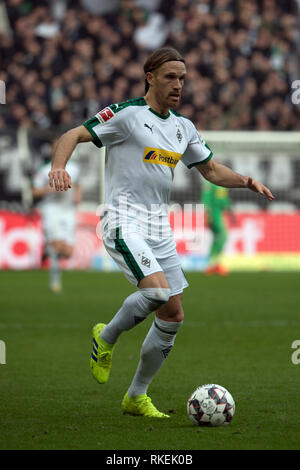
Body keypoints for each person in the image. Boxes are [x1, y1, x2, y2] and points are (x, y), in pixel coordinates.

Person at [48, 47, 274, 418]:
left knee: (172, 314)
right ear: (150, 76)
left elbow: (212, 171)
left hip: (159, 228)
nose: (178, 85)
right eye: (170, 76)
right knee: (155, 291)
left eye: (183, 78)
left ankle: (136, 396)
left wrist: (247, 181)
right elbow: (72, 134)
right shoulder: (127, 115)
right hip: (122, 219)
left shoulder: (183, 127)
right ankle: (104, 338)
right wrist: (59, 166)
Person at [32, 141, 81, 292]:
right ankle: (55, 283)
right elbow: (34, 192)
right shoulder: (44, 170)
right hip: (51, 209)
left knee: (68, 251)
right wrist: (51, 189)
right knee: (58, 246)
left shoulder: (74, 168)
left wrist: (78, 196)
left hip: (68, 209)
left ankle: (49, 249)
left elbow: (78, 184)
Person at [201, 181, 233, 275]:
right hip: (214, 214)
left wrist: (228, 210)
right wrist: (208, 215)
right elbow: (206, 199)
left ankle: (213, 264)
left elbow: (225, 201)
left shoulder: (223, 185)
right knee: (222, 236)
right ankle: (214, 264)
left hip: (220, 214)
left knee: (217, 238)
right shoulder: (210, 184)